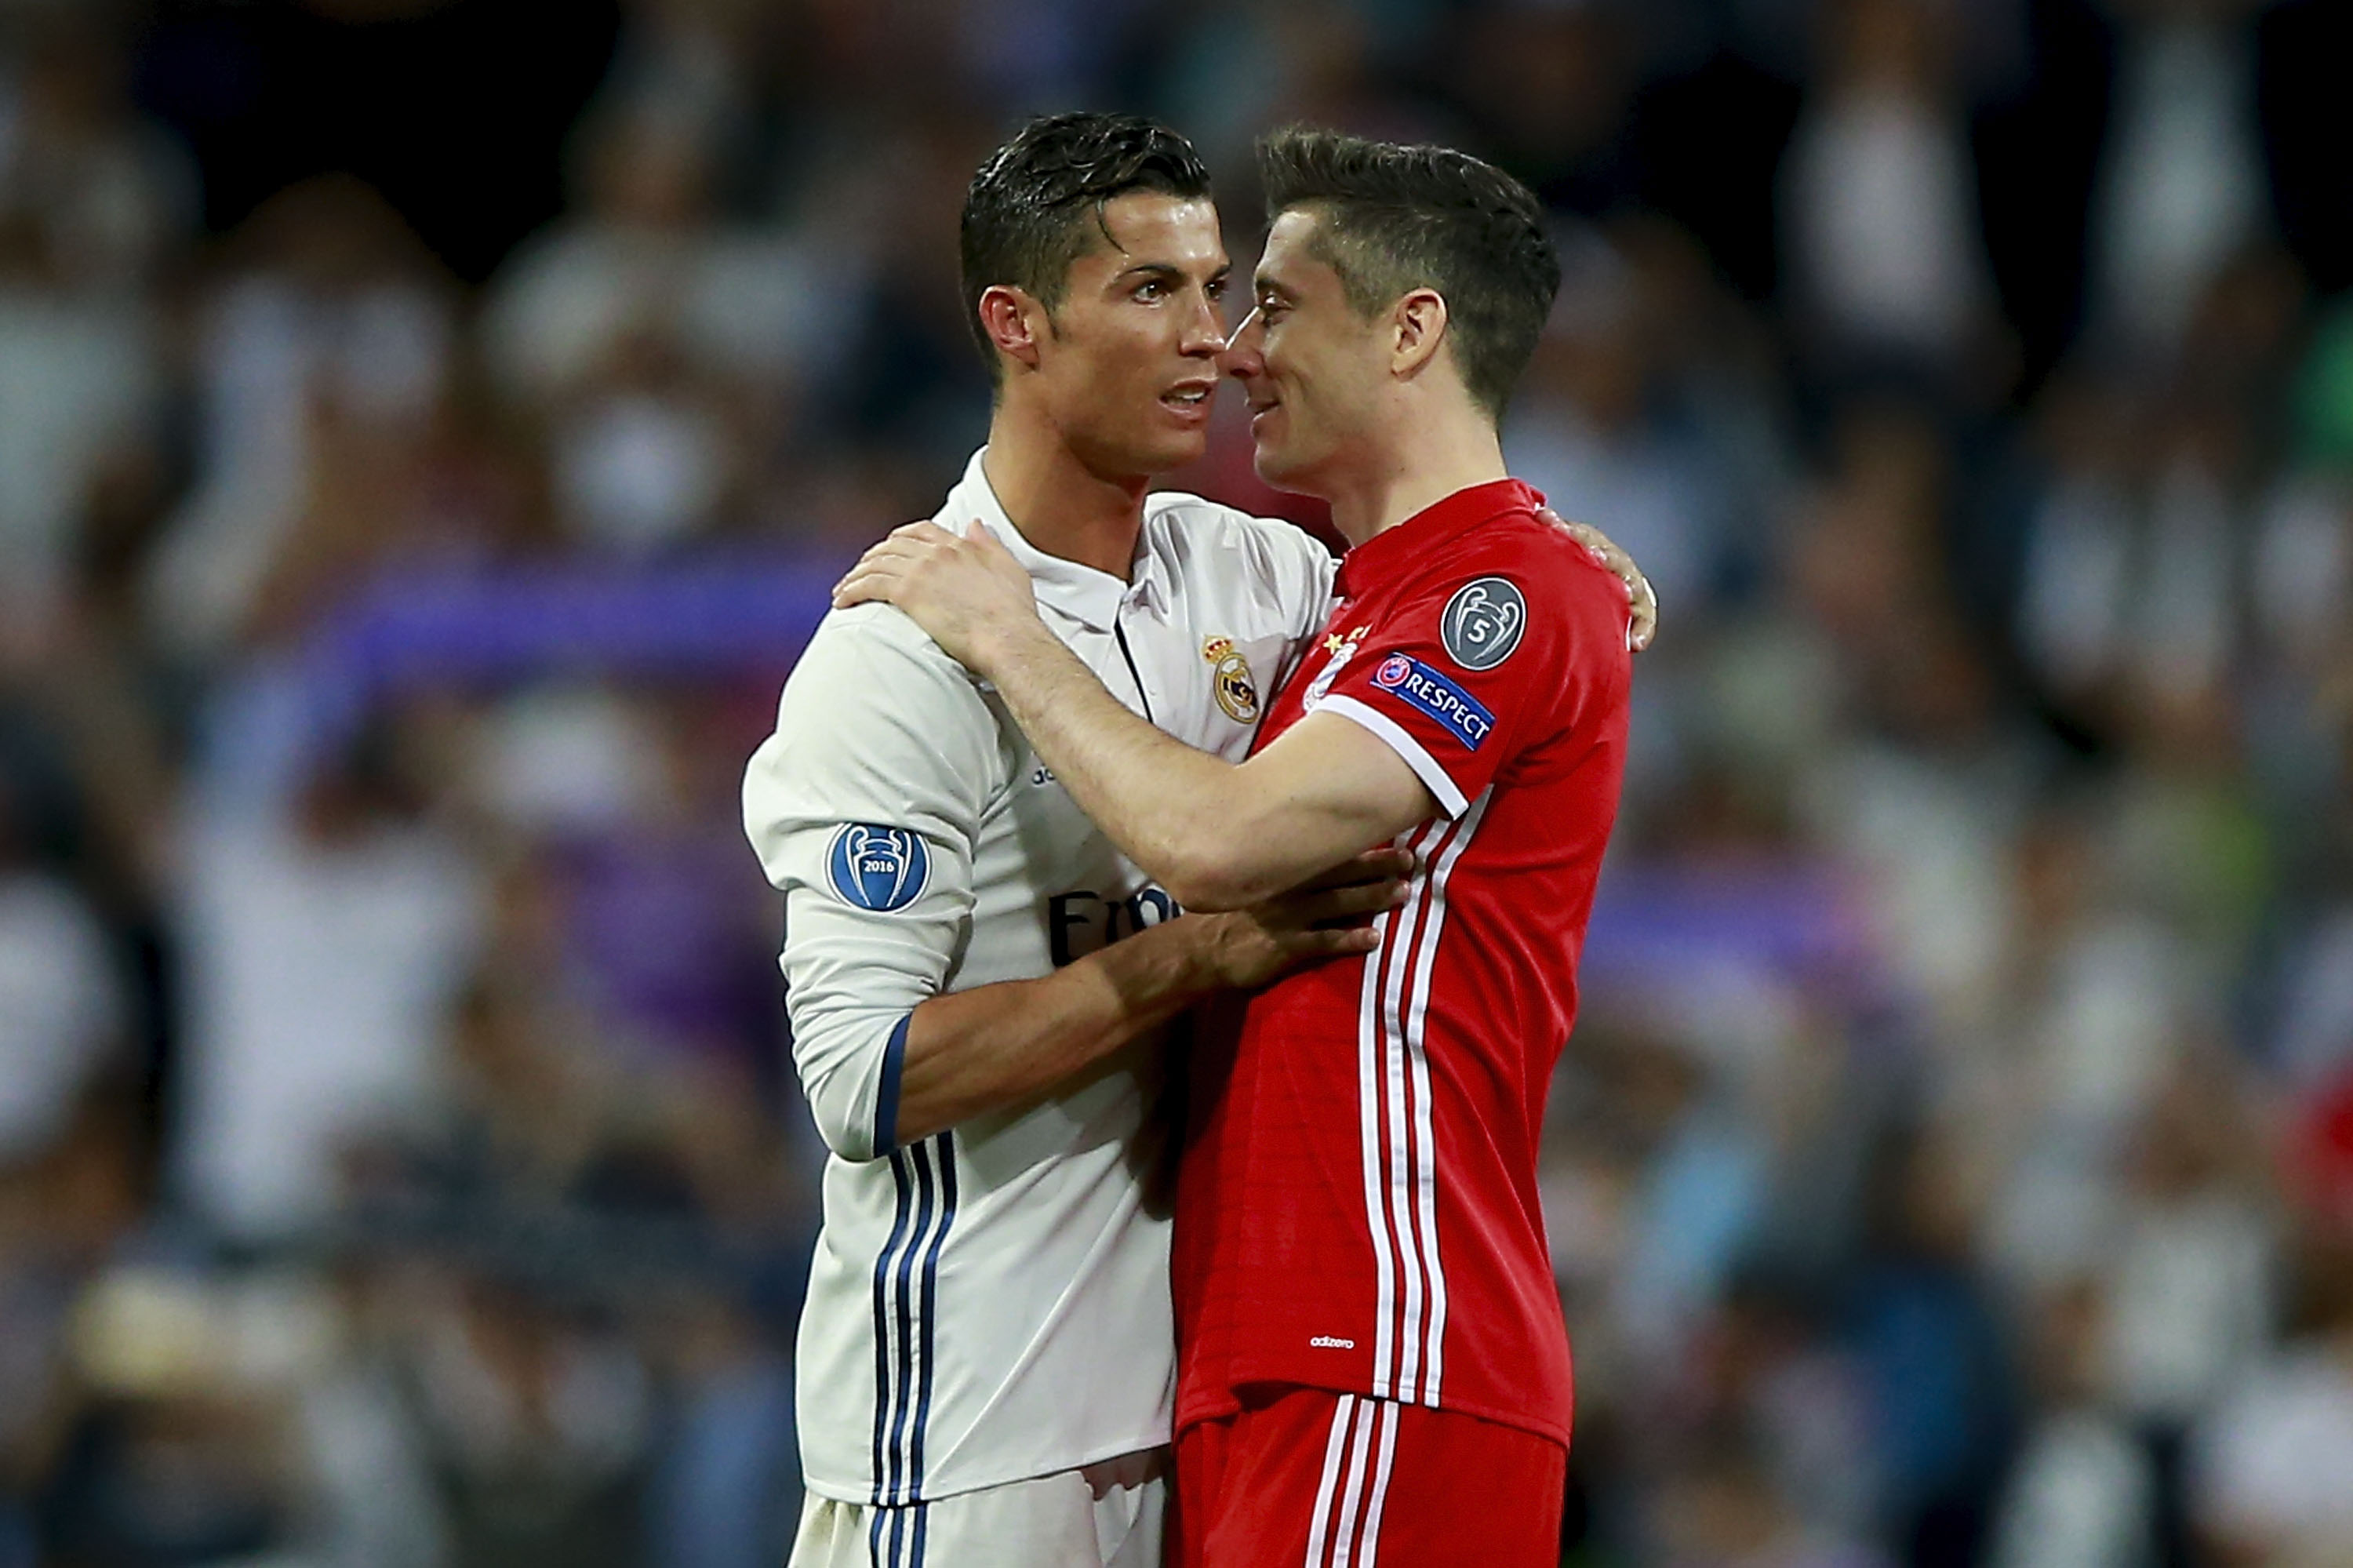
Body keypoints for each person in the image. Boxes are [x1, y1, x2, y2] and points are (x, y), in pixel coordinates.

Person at [835, 126, 1632, 1564]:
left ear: (1412, 330)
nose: (1234, 348)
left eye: (1267, 301)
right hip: (1210, 1361)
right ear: (1015, 326)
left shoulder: (1486, 590)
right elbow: (858, 1075)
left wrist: (1008, 628)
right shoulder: (1334, 595)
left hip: (1375, 1328)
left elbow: (1217, 843)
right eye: (1177, 295)